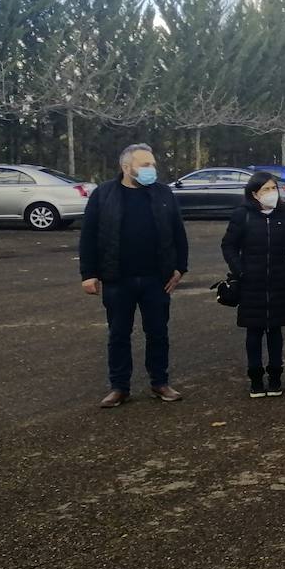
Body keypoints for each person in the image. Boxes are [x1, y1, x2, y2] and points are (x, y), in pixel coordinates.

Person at [79, 143, 188, 408]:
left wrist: (180, 267)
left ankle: (159, 382)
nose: (152, 169)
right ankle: (119, 387)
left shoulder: (163, 194)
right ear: (126, 167)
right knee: (118, 334)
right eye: (145, 164)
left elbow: (178, 233)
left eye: (152, 164)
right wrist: (89, 273)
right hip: (118, 279)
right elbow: (89, 236)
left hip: (156, 279)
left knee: (158, 333)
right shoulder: (103, 195)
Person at [221, 171, 285, 399]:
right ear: (254, 194)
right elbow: (228, 245)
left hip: (278, 282)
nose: (271, 193)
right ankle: (256, 379)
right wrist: (241, 270)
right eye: (266, 189)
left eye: (273, 188)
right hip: (251, 283)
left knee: (275, 331)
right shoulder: (242, 215)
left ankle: (275, 377)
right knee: (254, 331)